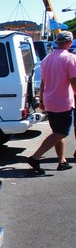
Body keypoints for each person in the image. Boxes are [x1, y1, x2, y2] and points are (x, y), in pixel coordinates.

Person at [26, 31, 76, 174]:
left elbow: (42, 82)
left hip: (49, 100)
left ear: (57, 42)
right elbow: (74, 82)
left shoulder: (47, 59)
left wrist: (41, 100)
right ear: (69, 43)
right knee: (61, 132)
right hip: (63, 101)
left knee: (56, 132)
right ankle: (35, 158)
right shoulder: (70, 58)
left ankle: (62, 161)